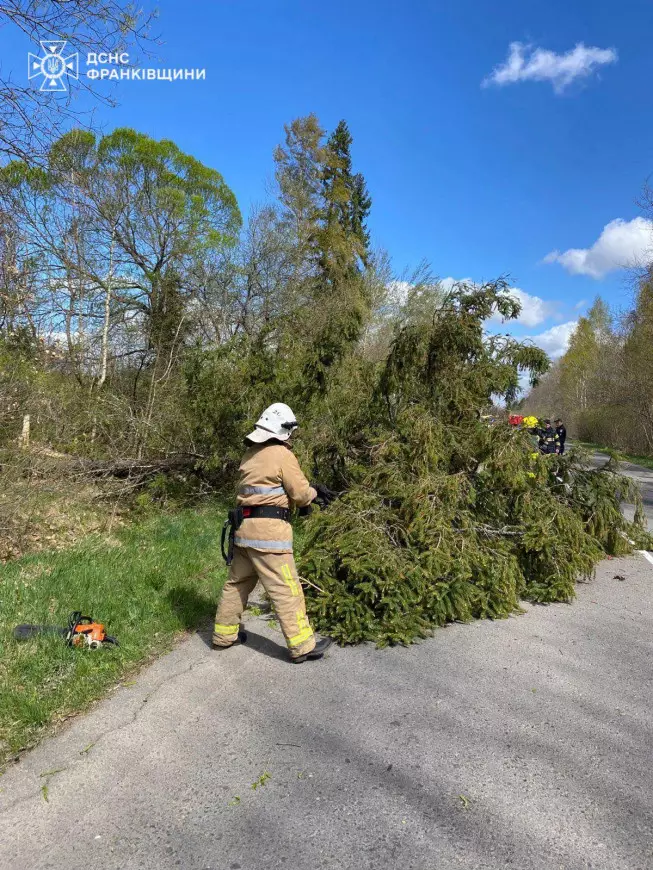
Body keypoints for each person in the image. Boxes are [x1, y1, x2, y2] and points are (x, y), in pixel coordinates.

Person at [213, 402, 333, 664]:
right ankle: (302, 646)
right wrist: (316, 492)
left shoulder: (250, 455)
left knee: (237, 584)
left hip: (244, 533)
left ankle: (224, 636)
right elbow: (300, 495)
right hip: (269, 537)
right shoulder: (282, 454)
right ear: (283, 431)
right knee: (286, 588)